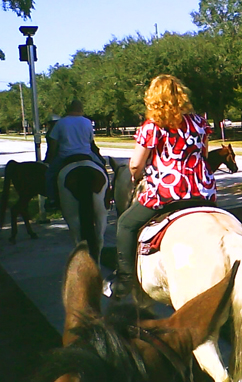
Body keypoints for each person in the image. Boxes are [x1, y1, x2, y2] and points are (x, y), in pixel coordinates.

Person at [107, 74, 217, 299]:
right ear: (181, 96)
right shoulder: (199, 123)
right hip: (203, 191)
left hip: (167, 192)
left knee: (126, 224)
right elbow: (203, 155)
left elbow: (136, 163)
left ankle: (125, 280)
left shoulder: (152, 126)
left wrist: (136, 176)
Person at [44, 100, 106, 210]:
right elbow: (90, 141)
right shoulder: (87, 122)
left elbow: (53, 144)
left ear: (69, 109)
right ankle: (107, 195)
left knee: (50, 174)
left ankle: (52, 199)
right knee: (102, 168)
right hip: (87, 155)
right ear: (81, 109)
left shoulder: (61, 123)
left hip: (65, 156)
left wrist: (50, 159)